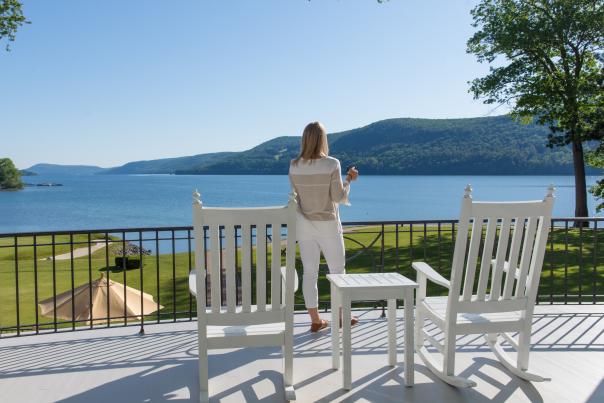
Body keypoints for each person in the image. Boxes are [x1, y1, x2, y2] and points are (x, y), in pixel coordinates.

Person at [288, 121, 359, 332]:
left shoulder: (294, 165)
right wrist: (349, 180)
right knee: (338, 271)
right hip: (327, 225)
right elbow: (338, 197)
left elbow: (295, 197)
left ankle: (316, 320)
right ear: (323, 140)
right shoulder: (331, 164)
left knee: (309, 273)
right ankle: (341, 316)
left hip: (304, 225)